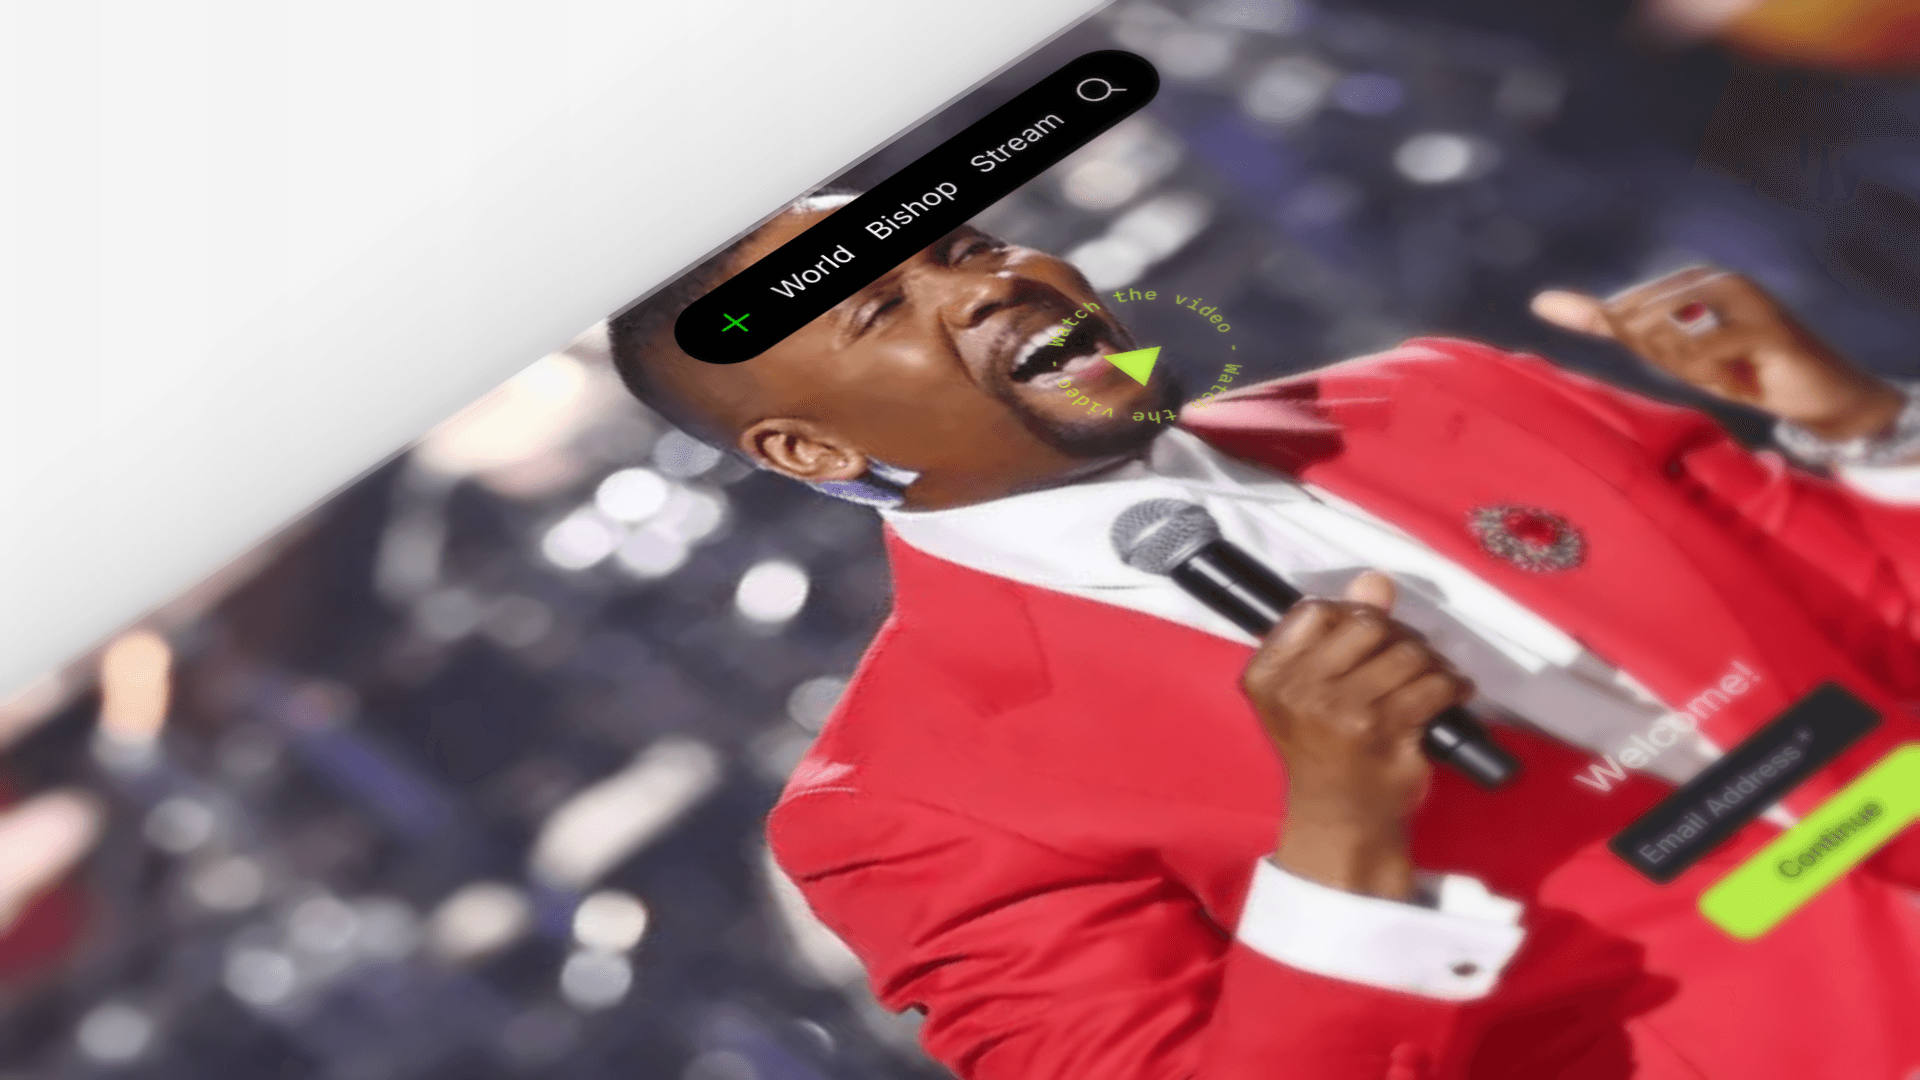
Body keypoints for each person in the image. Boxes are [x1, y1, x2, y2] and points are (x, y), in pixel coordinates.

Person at [608, 195, 1920, 1079]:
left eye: (969, 246)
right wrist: (1340, 837)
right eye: (883, 308)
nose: (993, 283)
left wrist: (1863, 433)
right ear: (809, 448)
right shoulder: (908, 807)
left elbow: (1876, 617)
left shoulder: (1442, 395)